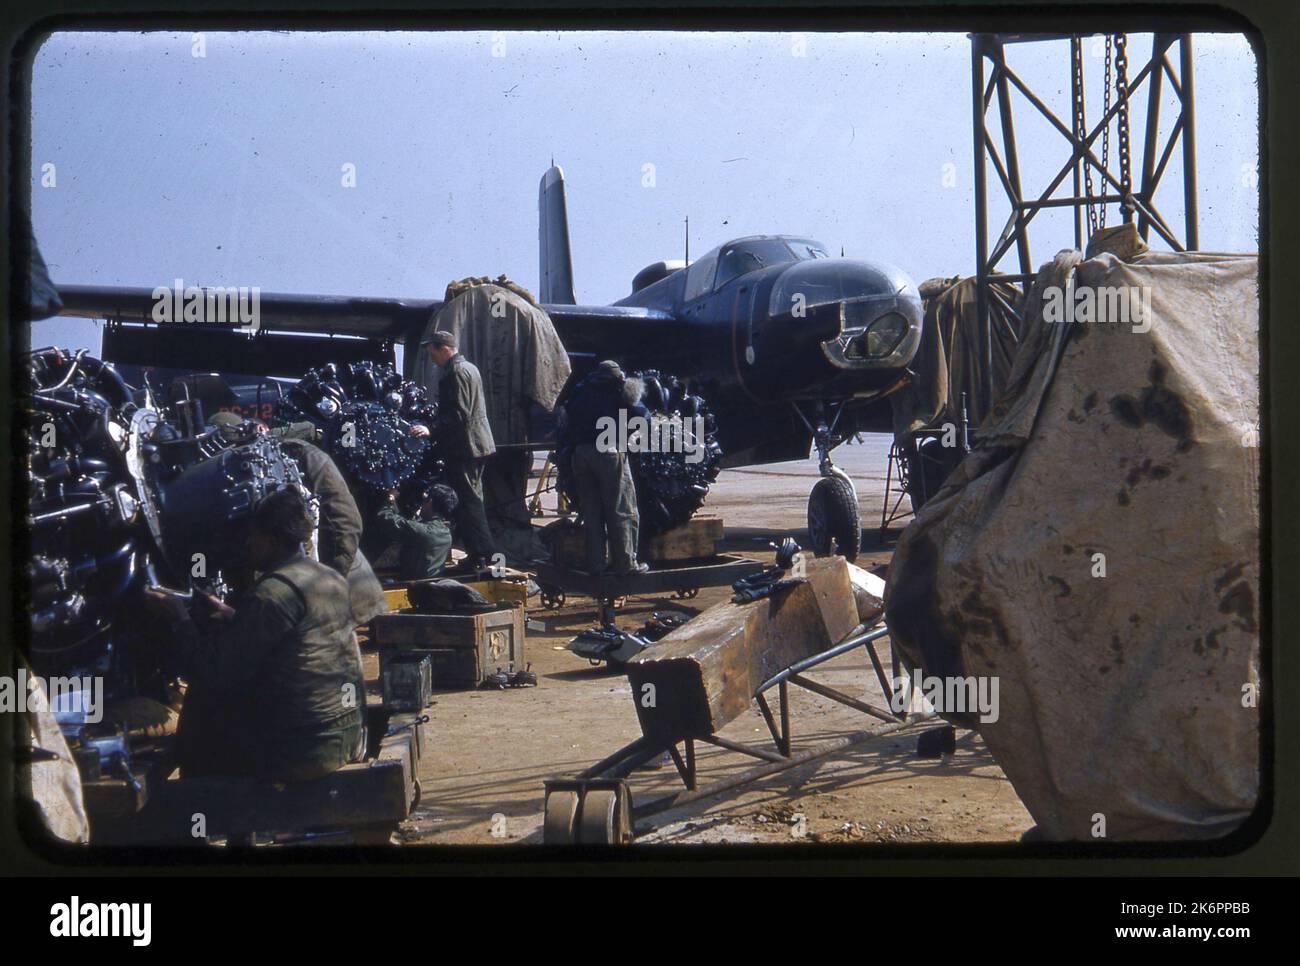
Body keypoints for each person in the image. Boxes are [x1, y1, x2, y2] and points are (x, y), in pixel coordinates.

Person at [142, 487, 366, 783]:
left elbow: (213, 673)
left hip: (305, 750)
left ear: (272, 540)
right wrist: (234, 617)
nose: (248, 544)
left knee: (202, 705)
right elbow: (298, 640)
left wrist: (180, 618)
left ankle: (202, 808)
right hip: (347, 734)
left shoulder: (271, 595)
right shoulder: (328, 577)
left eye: (254, 536)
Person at [206, 412, 387, 626]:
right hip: (287, 610)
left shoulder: (300, 455)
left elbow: (345, 522)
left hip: (346, 597)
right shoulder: (224, 482)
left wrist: (325, 586)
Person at [413, 330, 496, 569]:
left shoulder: (455, 372)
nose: (433, 360)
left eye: (433, 354)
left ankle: (482, 554)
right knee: (472, 498)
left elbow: (459, 413)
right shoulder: (469, 368)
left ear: (444, 349)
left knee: (469, 501)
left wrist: (431, 429)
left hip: (465, 445)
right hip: (476, 444)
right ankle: (479, 553)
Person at [560, 360, 650, 574]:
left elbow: (565, 423)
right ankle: (626, 564)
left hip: (580, 455)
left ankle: (597, 565)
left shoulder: (580, 391)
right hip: (609, 452)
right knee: (622, 510)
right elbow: (642, 416)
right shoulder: (619, 389)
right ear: (617, 376)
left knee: (591, 513)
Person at [371, 483, 457, 580]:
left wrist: (389, 499)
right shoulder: (446, 532)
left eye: (424, 500)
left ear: (430, 503)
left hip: (414, 586)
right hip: (432, 586)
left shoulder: (422, 531)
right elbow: (408, 526)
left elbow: (384, 518)